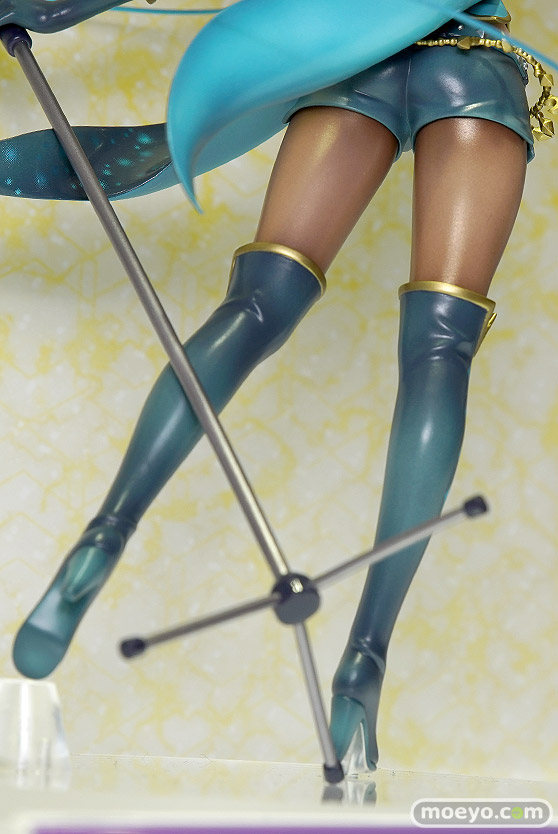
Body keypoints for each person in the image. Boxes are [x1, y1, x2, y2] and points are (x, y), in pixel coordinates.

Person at [6, 0, 542, 769]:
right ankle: (366, 655)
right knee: (439, 351)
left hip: (357, 59)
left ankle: (105, 531)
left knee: (257, 304)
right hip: (473, 71)